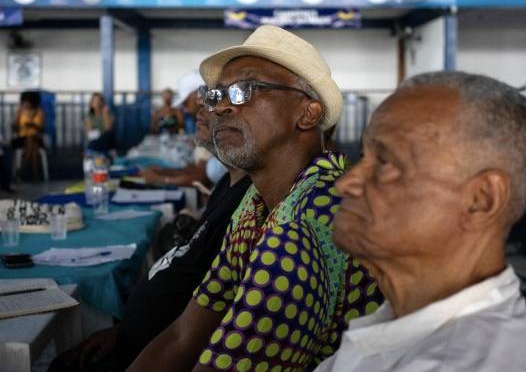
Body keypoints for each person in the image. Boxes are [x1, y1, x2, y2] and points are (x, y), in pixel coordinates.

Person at [129, 25, 382, 372]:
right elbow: (183, 334)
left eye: (245, 90)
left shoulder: (305, 229)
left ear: (307, 113)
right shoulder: (254, 203)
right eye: (216, 96)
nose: (219, 109)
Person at [315, 71, 526, 372]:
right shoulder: (409, 321)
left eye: (386, 163)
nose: (346, 183)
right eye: (364, 157)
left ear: (481, 199)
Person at [48, 97, 251, 372]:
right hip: (135, 338)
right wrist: (123, 330)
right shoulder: (228, 184)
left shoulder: (249, 208)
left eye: (232, 97)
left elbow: (189, 334)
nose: (206, 110)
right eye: (207, 98)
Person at [140, 73, 227, 188]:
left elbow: (200, 176)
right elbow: (196, 169)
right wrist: (163, 171)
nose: (185, 110)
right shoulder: (206, 129)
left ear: (198, 95)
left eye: (186, 103)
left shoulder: (218, 131)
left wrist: (161, 178)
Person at [11, 90, 44, 179]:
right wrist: (13, 124)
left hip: (36, 137)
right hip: (22, 138)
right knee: (32, 145)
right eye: (24, 101)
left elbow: (41, 129)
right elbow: (15, 128)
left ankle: (22, 169)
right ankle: (34, 173)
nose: (25, 103)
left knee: (31, 140)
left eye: (27, 101)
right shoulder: (20, 111)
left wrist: (32, 125)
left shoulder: (39, 112)